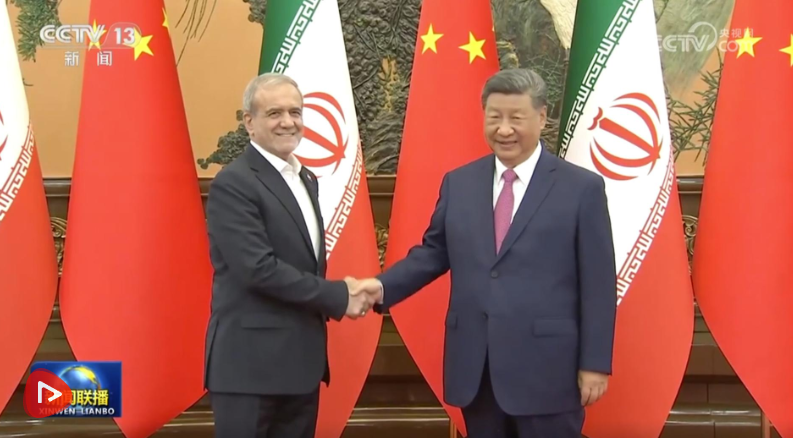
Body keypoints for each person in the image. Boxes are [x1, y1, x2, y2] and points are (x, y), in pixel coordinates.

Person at [351, 68, 617, 438]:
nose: (504, 129)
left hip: (549, 371)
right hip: (477, 370)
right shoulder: (460, 183)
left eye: (516, 118)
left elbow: (599, 283)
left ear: (541, 117)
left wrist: (595, 363)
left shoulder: (581, 188)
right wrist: (381, 287)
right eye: (494, 117)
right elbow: (433, 252)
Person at [203, 73, 376, 438]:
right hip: (249, 370)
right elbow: (257, 269)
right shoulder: (234, 183)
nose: (288, 122)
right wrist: (339, 295)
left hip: (300, 369)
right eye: (274, 113)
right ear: (249, 122)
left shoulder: (305, 179)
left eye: (295, 112)